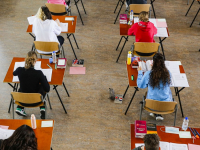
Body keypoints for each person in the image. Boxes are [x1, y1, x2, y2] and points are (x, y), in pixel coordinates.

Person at [13, 51, 50, 119]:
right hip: (36, 101)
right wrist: (43, 78)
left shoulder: (20, 70)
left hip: (22, 101)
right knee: (42, 87)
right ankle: (42, 109)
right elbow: (47, 89)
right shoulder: (39, 73)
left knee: (22, 87)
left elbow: (14, 73)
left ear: (26, 60)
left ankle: (19, 108)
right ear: (35, 61)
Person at [137, 53, 172, 120]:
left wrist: (140, 72)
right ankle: (158, 113)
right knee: (168, 91)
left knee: (149, 92)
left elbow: (140, 85)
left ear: (153, 63)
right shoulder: (168, 73)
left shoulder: (149, 74)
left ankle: (155, 112)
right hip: (166, 106)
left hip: (151, 105)